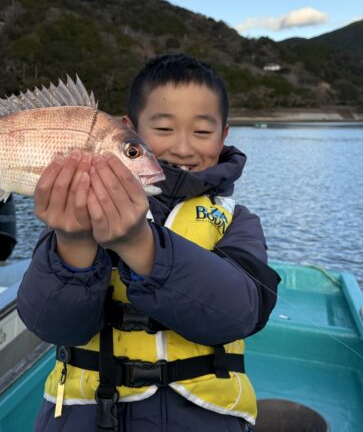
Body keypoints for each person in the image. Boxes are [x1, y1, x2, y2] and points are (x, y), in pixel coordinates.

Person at [17, 54, 280, 431]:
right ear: (128, 130)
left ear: (224, 136)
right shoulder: (80, 210)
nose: (184, 147)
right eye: (164, 128)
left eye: (202, 132)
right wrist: (72, 240)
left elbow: (239, 313)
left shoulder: (237, 220)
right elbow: (53, 326)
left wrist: (139, 242)